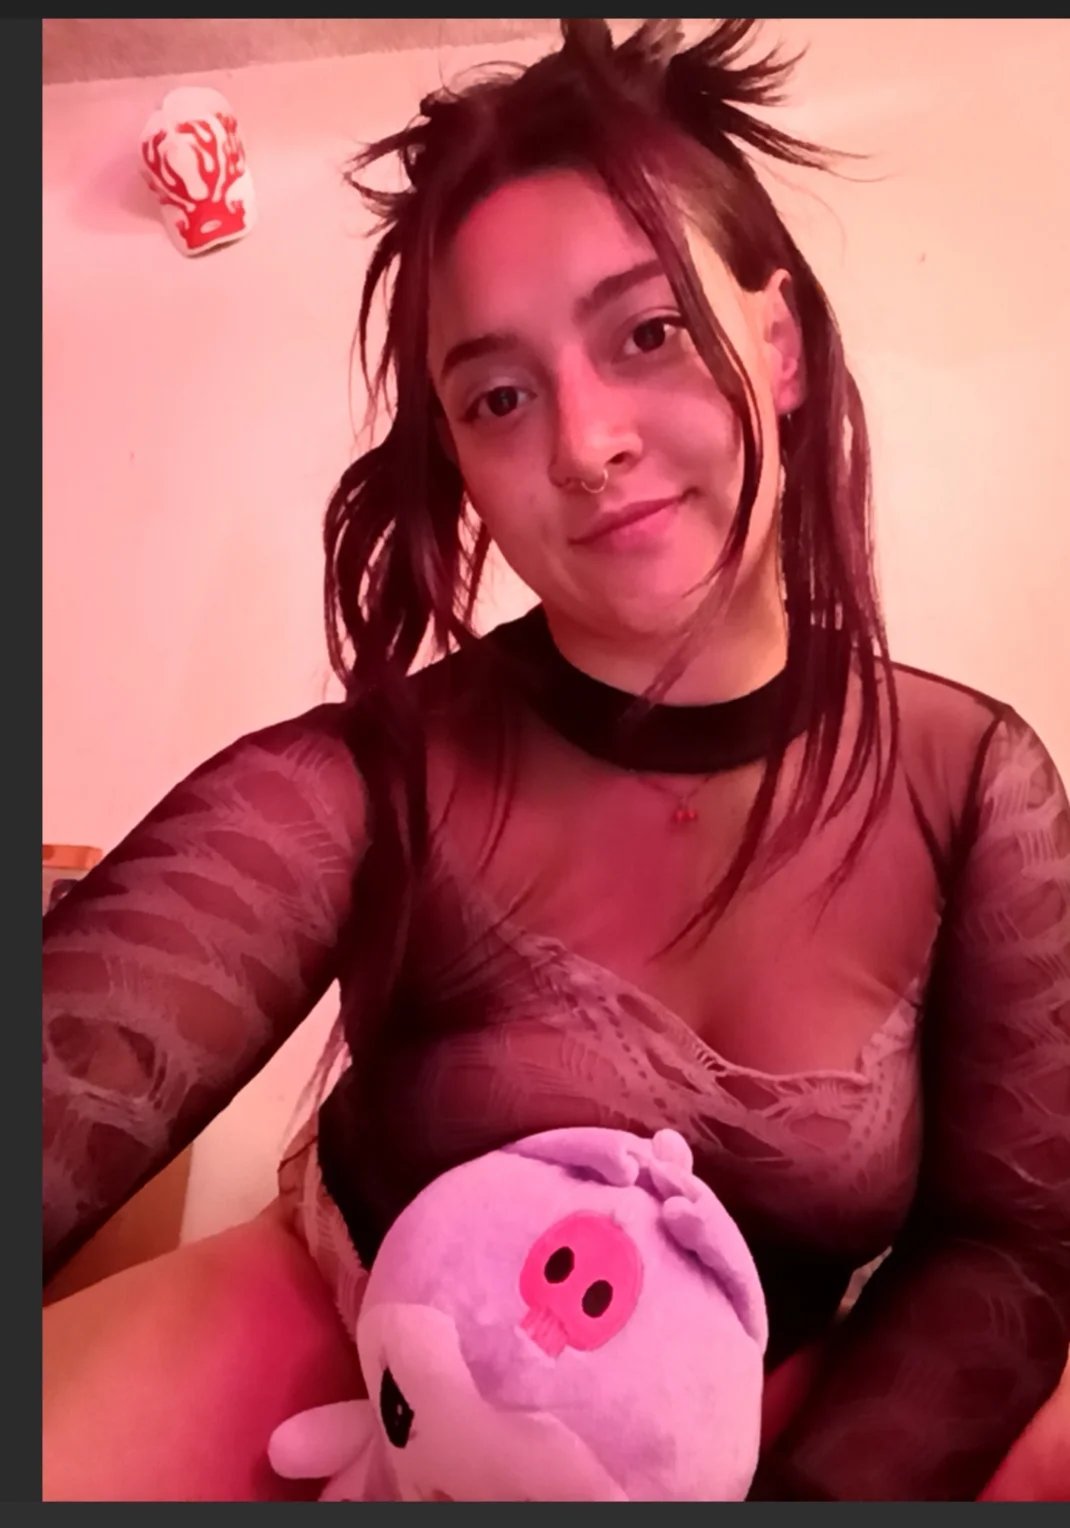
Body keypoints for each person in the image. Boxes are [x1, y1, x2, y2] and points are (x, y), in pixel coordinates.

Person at [42, 19, 1069, 1502]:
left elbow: (1007, 1240)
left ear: (777, 347)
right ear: (460, 458)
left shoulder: (969, 783)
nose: (584, 444)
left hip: (763, 1393)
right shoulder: (375, 780)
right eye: (499, 397)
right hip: (359, 1339)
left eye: (647, 332)